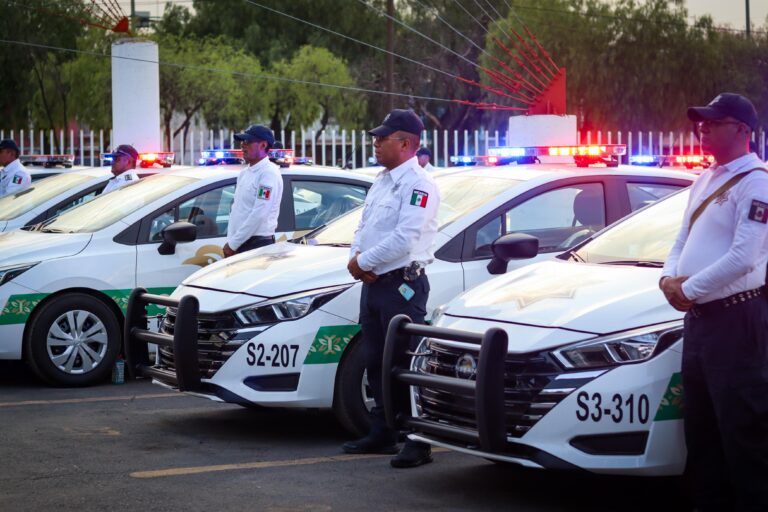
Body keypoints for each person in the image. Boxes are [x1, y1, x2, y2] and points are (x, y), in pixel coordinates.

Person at [660, 92, 768, 511]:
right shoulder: (706, 178)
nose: (702, 129)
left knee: (743, 434)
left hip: (736, 320)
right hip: (701, 321)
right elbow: (682, 238)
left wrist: (686, 290)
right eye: (701, 122)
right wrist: (668, 278)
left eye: (713, 122)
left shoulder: (756, 182)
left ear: (741, 130)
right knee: (701, 433)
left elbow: (744, 257)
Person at [342, 109, 440, 468]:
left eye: (383, 137)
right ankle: (383, 430)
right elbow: (364, 226)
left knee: (403, 363)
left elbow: (405, 238)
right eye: (376, 136)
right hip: (375, 283)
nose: (376, 142)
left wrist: (364, 262)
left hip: (403, 285)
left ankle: (417, 440)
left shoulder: (419, 184)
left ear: (406, 143)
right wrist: (356, 258)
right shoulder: (382, 180)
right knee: (374, 360)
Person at [223, 124, 283, 257]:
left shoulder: (268, 173)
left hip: (257, 244)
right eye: (242, 141)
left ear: (263, 145)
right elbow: (239, 211)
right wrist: (233, 241)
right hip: (241, 243)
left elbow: (259, 213)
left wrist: (233, 244)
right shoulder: (244, 173)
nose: (242, 145)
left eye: (248, 141)